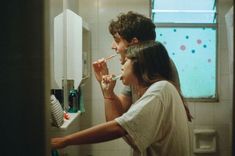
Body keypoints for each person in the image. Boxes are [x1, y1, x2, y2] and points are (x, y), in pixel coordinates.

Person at [51, 41, 191, 156]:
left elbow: (118, 128)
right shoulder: (161, 89)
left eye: (127, 60)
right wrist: (107, 92)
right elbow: (121, 125)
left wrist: (65, 141)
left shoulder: (160, 90)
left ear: (140, 64)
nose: (122, 65)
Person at [93, 11, 183, 122]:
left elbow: (118, 125)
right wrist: (107, 90)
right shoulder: (138, 69)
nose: (113, 46)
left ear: (134, 43)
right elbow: (116, 115)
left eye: (117, 40)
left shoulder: (158, 65)